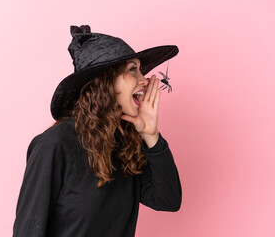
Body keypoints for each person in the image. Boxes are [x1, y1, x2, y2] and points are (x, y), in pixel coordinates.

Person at [13, 25, 182, 237]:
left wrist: (151, 135)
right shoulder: (54, 144)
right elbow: (29, 230)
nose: (144, 80)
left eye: (141, 70)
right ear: (106, 82)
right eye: (132, 70)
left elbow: (168, 200)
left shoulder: (128, 142)